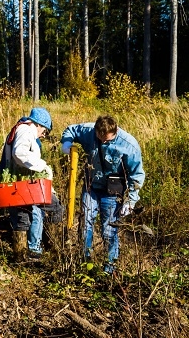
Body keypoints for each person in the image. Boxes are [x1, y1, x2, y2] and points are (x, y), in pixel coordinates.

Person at [61, 115, 145, 274]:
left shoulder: (128, 144)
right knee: (86, 222)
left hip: (113, 192)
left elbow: (137, 175)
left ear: (115, 132)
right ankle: (84, 262)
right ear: (96, 131)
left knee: (109, 229)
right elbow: (71, 130)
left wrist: (131, 201)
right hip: (91, 186)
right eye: (100, 139)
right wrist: (66, 143)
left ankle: (109, 267)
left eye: (107, 140)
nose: (103, 142)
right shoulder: (88, 131)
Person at [0, 107, 53, 261]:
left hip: (20, 181)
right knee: (33, 213)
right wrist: (41, 165)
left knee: (27, 215)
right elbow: (19, 153)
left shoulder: (22, 128)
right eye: (45, 131)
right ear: (39, 125)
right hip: (21, 182)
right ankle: (32, 250)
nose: (43, 135)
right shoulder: (26, 130)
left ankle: (27, 251)